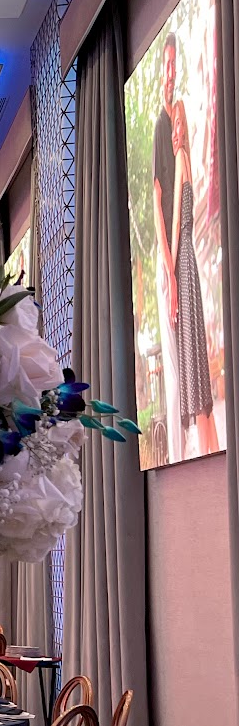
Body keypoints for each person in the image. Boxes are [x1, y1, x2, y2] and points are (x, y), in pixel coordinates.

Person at [152, 34, 217, 459]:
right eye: (174, 124)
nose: (176, 130)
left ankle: (203, 444)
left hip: (186, 261)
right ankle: (199, 444)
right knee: (188, 360)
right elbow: (172, 215)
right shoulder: (178, 157)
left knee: (193, 359)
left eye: (181, 124)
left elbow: (182, 219)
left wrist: (176, 272)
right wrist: (172, 273)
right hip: (181, 261)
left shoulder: (184, 161)